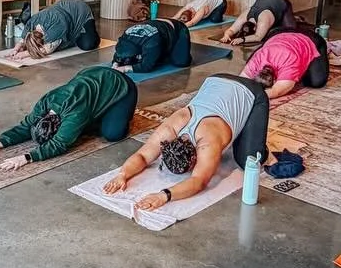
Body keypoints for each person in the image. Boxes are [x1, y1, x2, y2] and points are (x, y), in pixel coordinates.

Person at [102, 72, 271, 213]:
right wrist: (122, 175)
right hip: (217, 80)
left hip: (251, 92)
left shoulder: (208, 142)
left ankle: (255, 91)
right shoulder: (169, 129)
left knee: (249, 160)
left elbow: (199, 181)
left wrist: (164, 195)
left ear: (195, 157)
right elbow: (142, 155)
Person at [0, 66, 137, 170]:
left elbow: (59, 144)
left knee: (113, 134)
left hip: (122, 87)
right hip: (90, 74)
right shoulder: (44, 104)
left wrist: (27, 157)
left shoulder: (75, 115)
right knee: (80, 128)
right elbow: (25, 126)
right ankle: (96, 112)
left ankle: (116, 113)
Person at [241, 27, 329, 100]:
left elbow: (276, 91)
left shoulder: (289, 63)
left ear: (276, 80)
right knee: (252, 58)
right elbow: (240, 82)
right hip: (278, 34)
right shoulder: (256, 59)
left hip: (309, 38)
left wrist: (253, 95)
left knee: (317, 82)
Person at [7, 0, 100, 60]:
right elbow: (23, 39)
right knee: (65, 40)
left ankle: (88, 32)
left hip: (80, 11)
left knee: (87, 44)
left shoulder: (55, 30)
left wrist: (24, 54)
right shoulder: (32, 22)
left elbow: (46, 49)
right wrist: (15, 49)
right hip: (63, 7)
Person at [112, 17, 192, 74]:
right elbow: (118, 55)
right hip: (155, 23)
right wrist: (115, 64)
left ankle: (171, 49)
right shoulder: (125, 36)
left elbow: (146, 66)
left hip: (178, 29)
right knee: (134, 59)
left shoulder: (151, 43)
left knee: (181, 62)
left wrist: (125, 68)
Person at [219, 0, 297, 46]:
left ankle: (294, 18)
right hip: (264, 1)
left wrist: (242, 39)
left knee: (291, 31)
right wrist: (226, 36)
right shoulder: (244, 16)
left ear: (255, 27)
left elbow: (258, 37)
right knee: (269, 28)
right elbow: (231, 30)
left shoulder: (263, 21)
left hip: (281, 2)